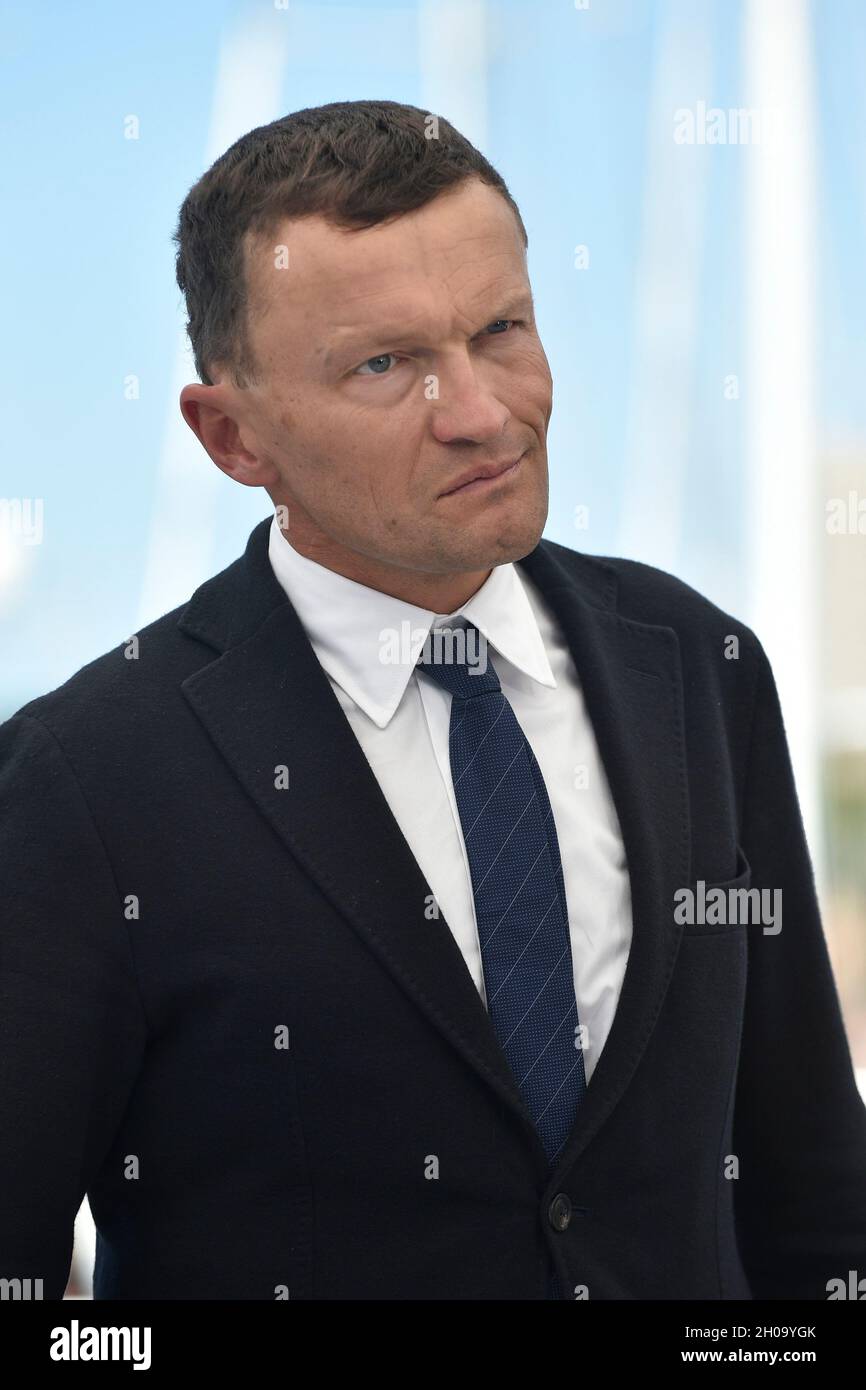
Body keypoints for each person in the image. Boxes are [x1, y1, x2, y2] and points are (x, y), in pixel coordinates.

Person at [2, 99, 864, 1301]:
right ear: (231, 437)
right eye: (384, 363)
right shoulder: (79, 780)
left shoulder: (699, 666)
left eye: (500, 328)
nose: (479, 413)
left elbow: (811, 1191)